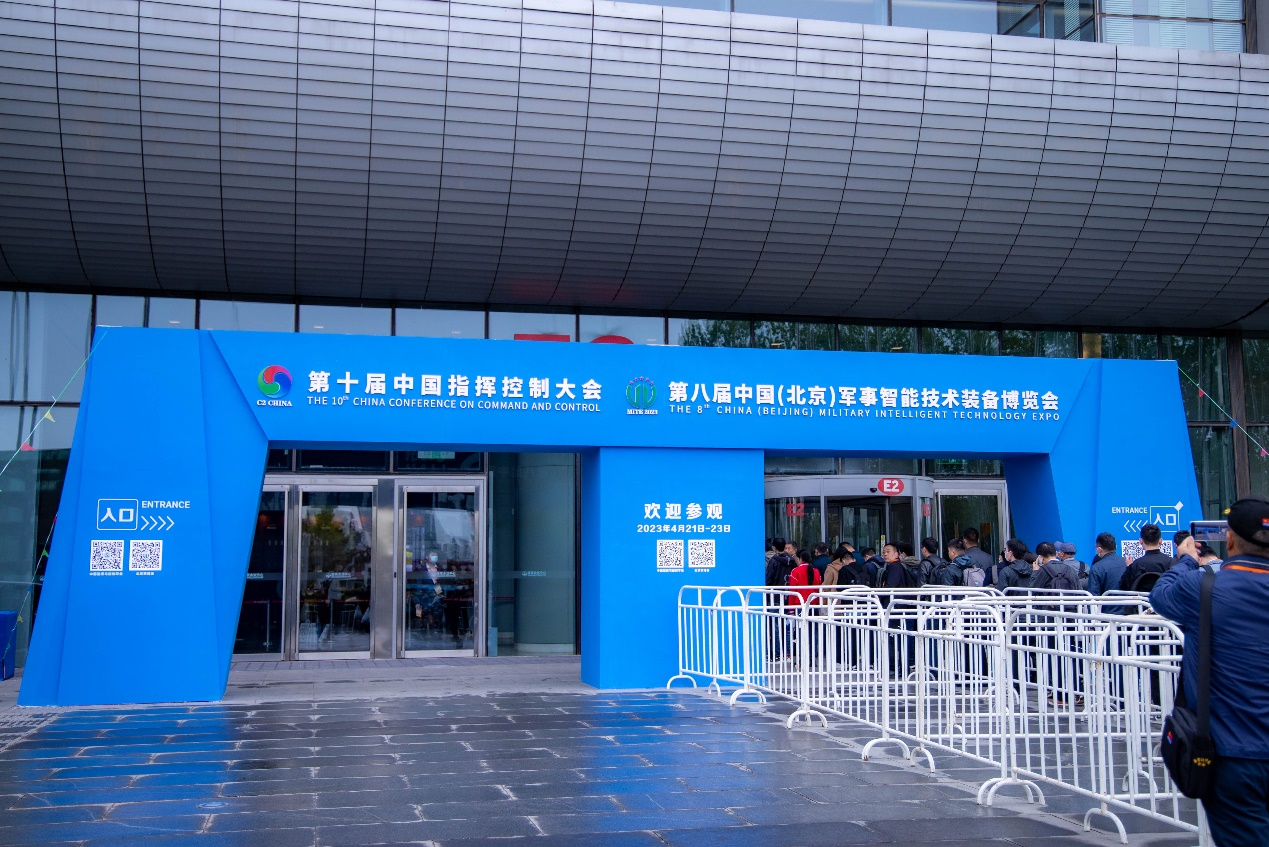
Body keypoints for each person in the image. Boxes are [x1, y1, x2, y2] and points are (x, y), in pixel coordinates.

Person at [1150, 496, 1269, 847]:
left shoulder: (1203, 588)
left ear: (1229, 539)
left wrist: (1187, 559)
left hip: (1232, 752)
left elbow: (1160, 595)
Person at [1119, 524, 1172, 593]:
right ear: (1160, 541)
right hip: (1165, 599)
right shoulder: (1172, 563)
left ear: (1141, 541)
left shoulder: (1136, 565)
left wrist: (1129, 567)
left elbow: (1124, 587)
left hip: (1141, 600)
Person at [1088, 532, 1128, 614]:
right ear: (1115, 547)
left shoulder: (1097, 568)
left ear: (1099, 549)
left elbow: (1093, 596)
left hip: (1107, 615)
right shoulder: (1128, 563)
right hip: (1129, 614)